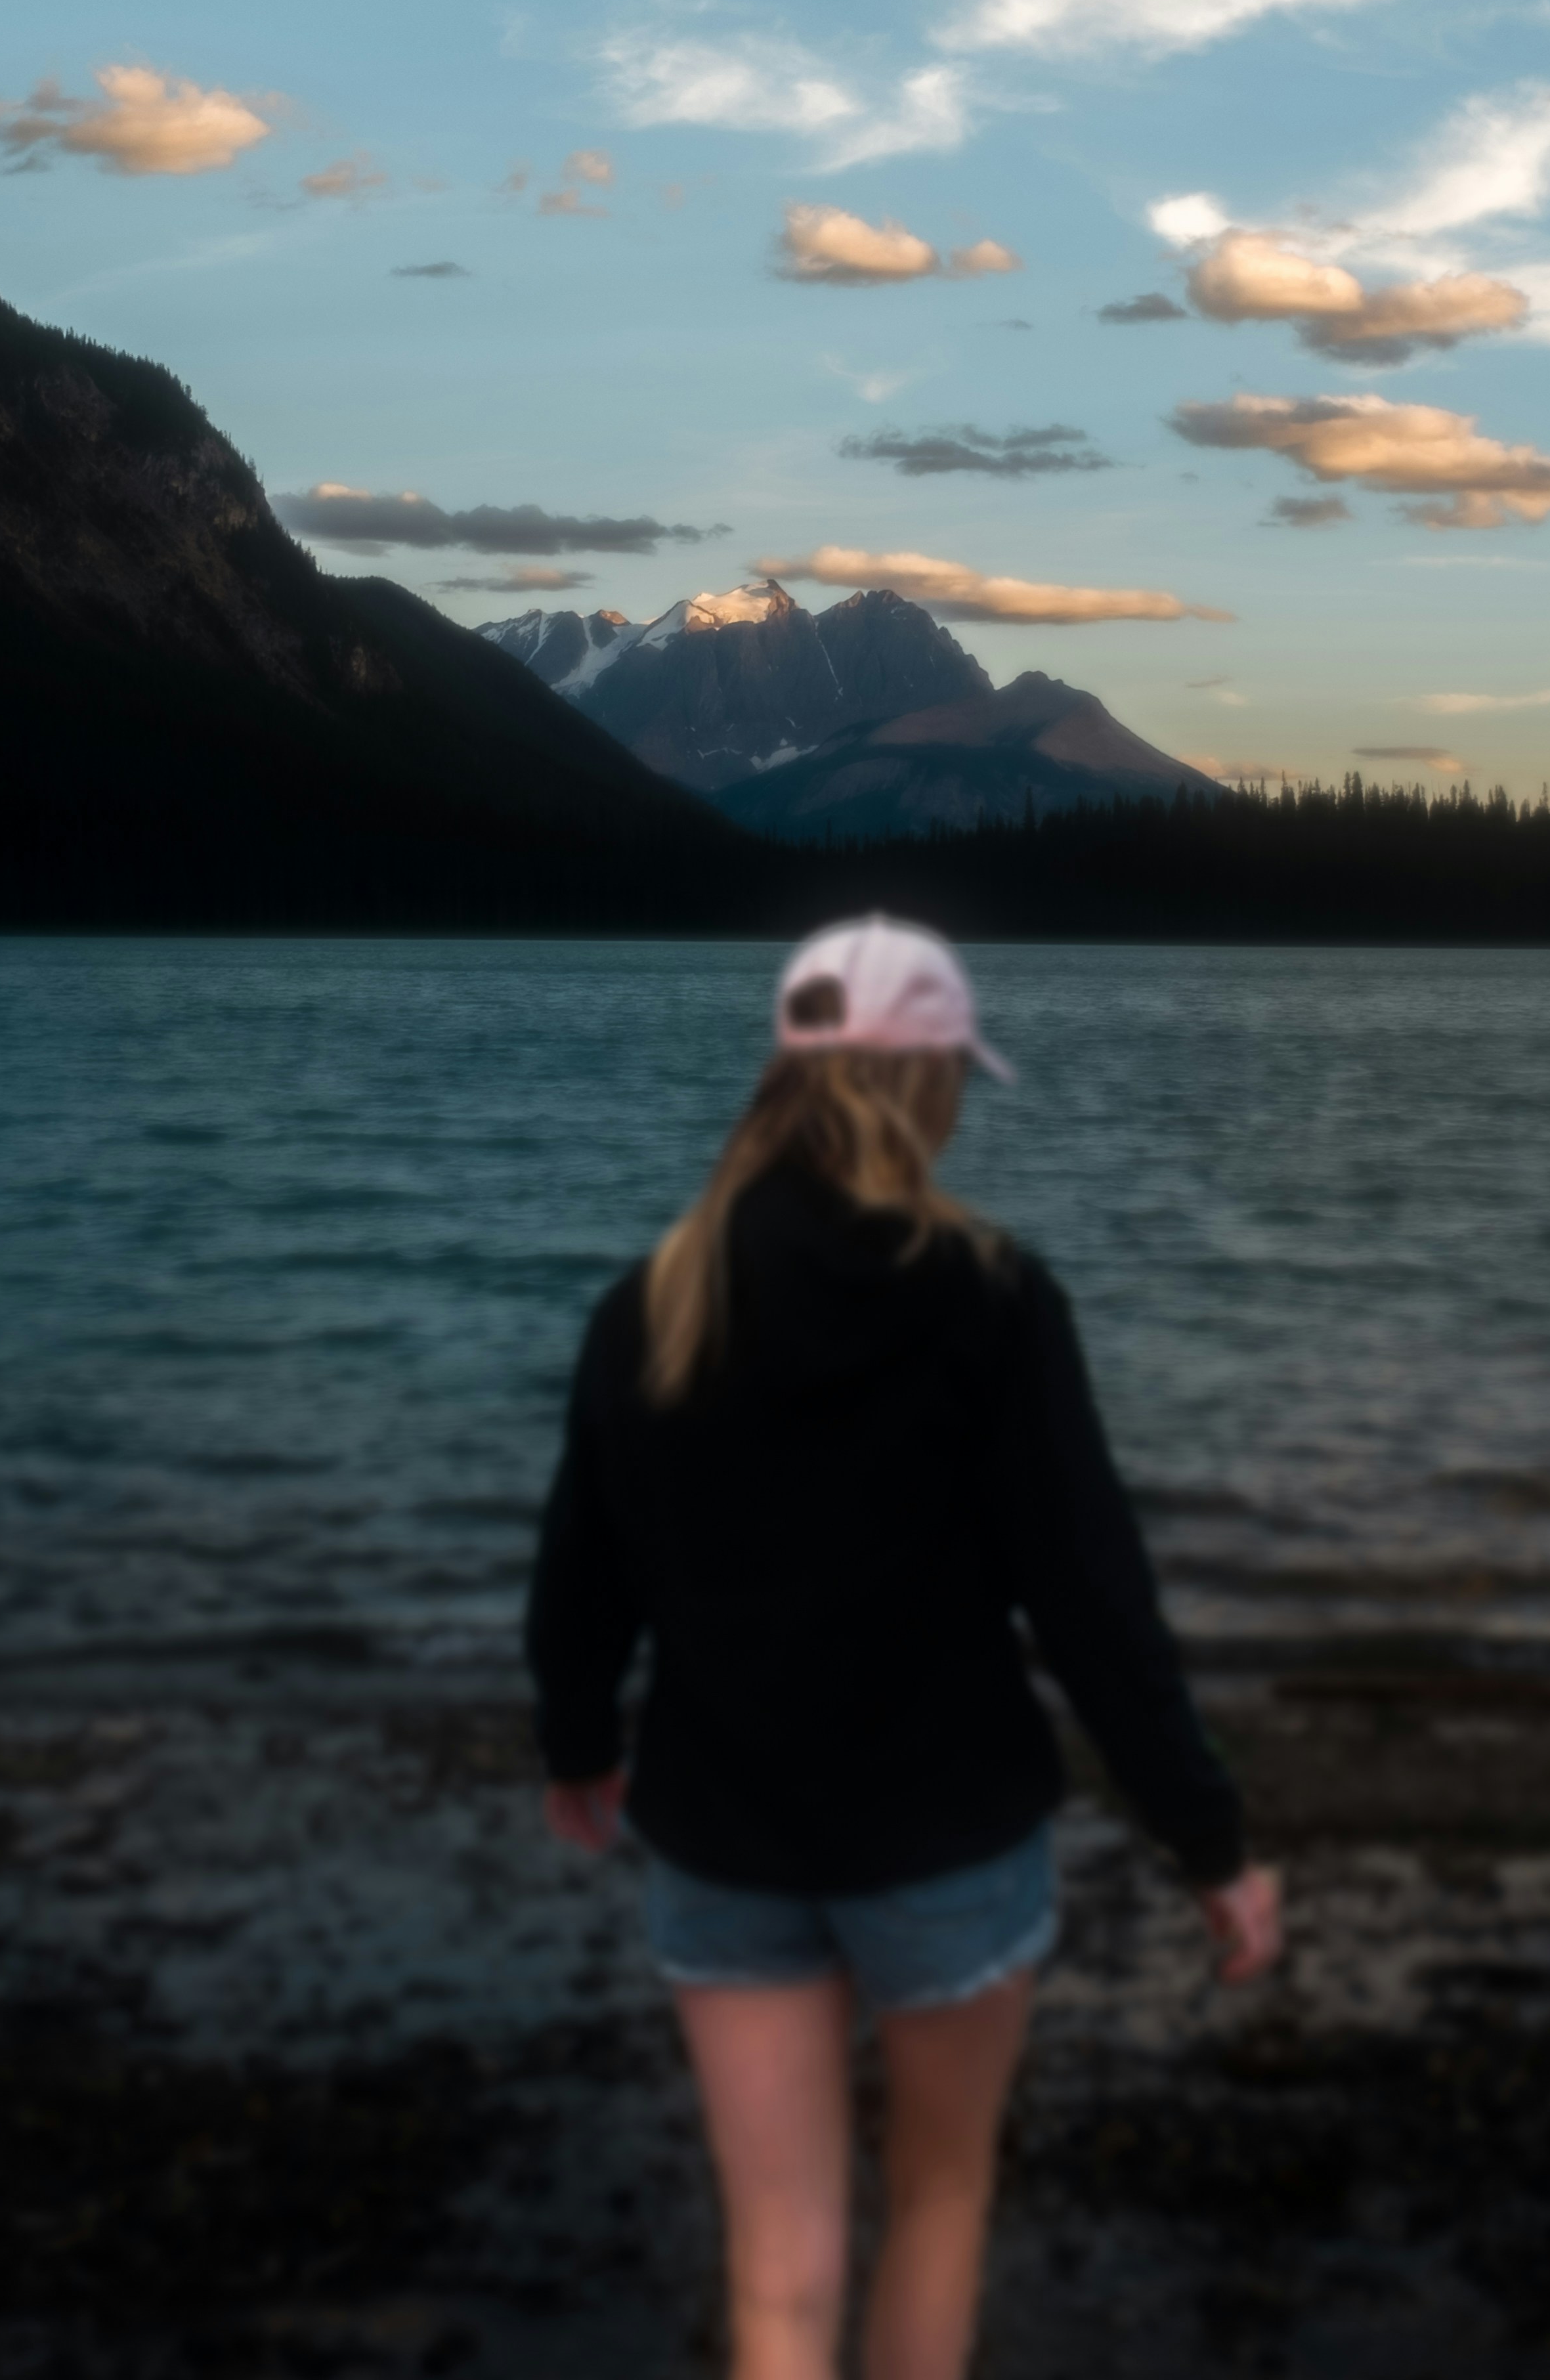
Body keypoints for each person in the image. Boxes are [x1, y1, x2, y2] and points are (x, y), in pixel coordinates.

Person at [527, 913, 1284, 2380]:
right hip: (950, 1841)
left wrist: (578, 1744)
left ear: (786, 1070)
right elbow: (1095, 1607)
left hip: (723, 1838)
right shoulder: (993, 1298)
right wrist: (1209, 1845)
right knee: (940, 2200)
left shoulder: (654, 1302)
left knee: (779, 2273)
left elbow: (580, 1574)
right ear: (930, 1082)